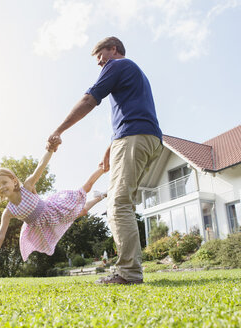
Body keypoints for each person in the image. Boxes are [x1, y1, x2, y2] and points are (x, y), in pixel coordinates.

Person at [47, 36, 163, 285]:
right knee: (125, 204)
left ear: (114, 49)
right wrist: (111, 146)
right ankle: (130, 269)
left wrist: (59, 130)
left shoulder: (118, 65)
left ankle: (128, 274)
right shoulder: (134, 72)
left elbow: (90, 99)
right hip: (149, 140)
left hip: (133, 139)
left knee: (118, 204)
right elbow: (133, 111)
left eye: (101, 56)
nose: (101, 64)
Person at [0, 145, 106, 274]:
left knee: (86, 190)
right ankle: (100, 196)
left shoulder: (27, 187)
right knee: (83, 212)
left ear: (14, 181)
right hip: (44, 227)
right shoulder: (8, 212)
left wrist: (50, 149)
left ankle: (102, 168)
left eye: (4, 182)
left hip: (54, 211)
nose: (1, 187)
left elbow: (41, 166)